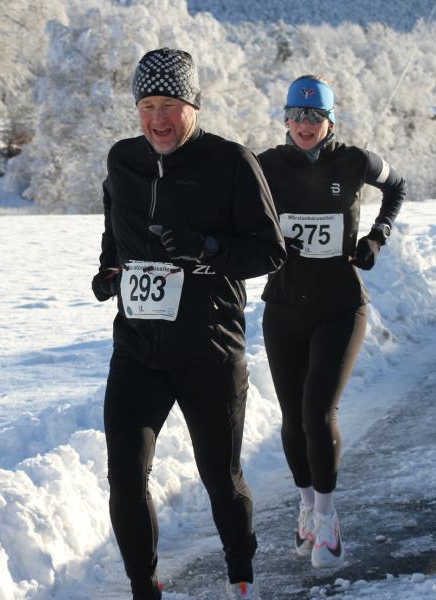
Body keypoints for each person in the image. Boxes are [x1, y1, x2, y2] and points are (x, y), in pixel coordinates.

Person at [91, 48, 286, 599]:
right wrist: (108, 272)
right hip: (137, 349)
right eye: (148, 104)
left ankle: (241, 577)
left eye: (170, 104)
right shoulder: (121, 160)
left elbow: (270, 252)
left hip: (209, 348)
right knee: (125, 476)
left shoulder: (231, 162)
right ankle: (143, 587)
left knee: (220, 478)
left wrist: (206, 249)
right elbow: (115, 232)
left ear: (192, 105)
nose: (158, 117)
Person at [257, 75, 406, 568]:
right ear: (285, 118)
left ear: (330, 121)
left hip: (341, 306)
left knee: (318, 413)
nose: (305, 125)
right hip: (282, 308)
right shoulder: (264, 167)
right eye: (297, 116)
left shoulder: (355, 161)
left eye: (315, 116)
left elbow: (397, 186)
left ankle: (328, 519)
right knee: (292, 419)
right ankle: (304, 505)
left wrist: (377, 237)